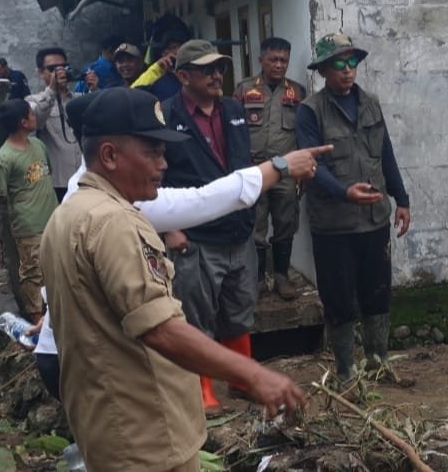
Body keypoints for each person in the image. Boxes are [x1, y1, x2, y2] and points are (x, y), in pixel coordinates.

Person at [40, 87, 306, 471]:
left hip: (112, 424)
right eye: (152, 152)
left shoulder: (70, 213)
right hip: (144, 432)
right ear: (110, 155)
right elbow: (160, 329)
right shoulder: (113, 223)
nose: (163, 164)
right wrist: (252, 373)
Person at [296, 33, 413, 386]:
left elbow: (386, 153)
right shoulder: (310, 111)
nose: (348, 71)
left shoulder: (371, 103)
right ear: (323, 71)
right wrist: (345, 192)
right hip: (334, 225)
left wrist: (402, 199)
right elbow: (311, 167)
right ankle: (347, 373)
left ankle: (378, 362)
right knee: (339, 299)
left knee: (378, 294)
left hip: (375, 218)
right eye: (338, 64)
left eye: (352, 63)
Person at [161, 39, 257, 410]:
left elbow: (242, 162)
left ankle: (240, 376)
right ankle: (201, 390)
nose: (217, 75)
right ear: (183, 76)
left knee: (240, 306)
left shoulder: (233, 108)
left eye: (219, 68)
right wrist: (171, 228)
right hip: (196, 235)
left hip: (238, 230)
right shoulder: (167, 116)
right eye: (206, 70)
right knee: (196, 311)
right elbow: (160, 174)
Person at [233, 37, 305, 300]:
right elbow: (235, 131)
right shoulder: (244, 90)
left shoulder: (297, 93)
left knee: (286, 224)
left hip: (286, 173)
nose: (278, 65)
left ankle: (282, 277)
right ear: (261, 59)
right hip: (254, 172)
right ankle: (260, 278)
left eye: (283, 60)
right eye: (273, 59)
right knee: (256, 226)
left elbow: (304, 132)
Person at [0, 99, 56, 323]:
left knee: (54, 268)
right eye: (31, 114)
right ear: (23, 122)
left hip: (52, 219)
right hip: (28, 225)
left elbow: (48, 173)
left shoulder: (38, 146)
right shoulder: (6, 158)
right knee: (32, 272)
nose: (35, 116)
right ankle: (36, 318)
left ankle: (55, 314)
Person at [26, 47, 82, 202]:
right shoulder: (32, 101)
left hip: (84, 179)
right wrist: (52, 90)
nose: (60, 72)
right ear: (40, 73)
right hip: (56, 181)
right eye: (52, 69)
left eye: (63, 67)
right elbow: (36, 122)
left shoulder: (79, 99)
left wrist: (94, 89)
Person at [132, 29, 188, 100]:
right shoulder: (157, 76)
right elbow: (132, 94)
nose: (168, 52)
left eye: (173, 47)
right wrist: (157, 68)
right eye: (164, 50)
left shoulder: (195, 73)